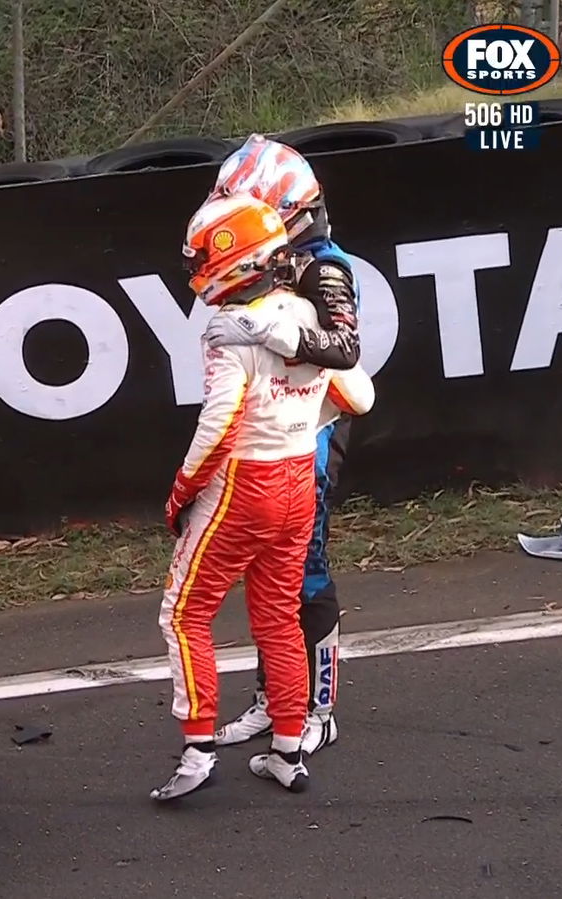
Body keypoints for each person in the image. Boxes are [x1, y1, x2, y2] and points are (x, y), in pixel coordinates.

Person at [151, 194, 373, 801]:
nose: (196, 269)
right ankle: (287, 749)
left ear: (231, 258)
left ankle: (196, 751)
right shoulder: (307, 315)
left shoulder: (227, 328)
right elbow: (359, 396)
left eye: (201, 256)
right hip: (300, 482)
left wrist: (182, 489)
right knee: (278, 618)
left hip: (242, 487)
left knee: (183, 613)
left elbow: (219, 422)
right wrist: (299, 415)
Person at [201, 134, 360, 757]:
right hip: (266, 436)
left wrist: (270, 330)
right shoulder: (266, 263)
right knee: (266, 575)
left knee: (306, 572)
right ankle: (277, 699)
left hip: (314, 433)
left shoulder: (327, 268)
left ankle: (319, 706)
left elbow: (346, 352)